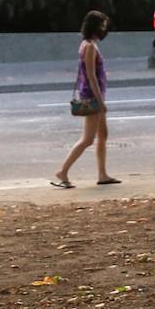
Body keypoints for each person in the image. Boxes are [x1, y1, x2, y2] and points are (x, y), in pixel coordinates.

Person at [52, 10, 121, 189]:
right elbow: (91, 75)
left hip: (95, 94)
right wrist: (100, 102)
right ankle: (63, 171)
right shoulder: (89, 46)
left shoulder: (89, 44)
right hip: (92, 96)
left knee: (103, 134)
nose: (104, 29)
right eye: (102, 26)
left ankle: (102, 174)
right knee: (88, 139)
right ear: (95, 27)